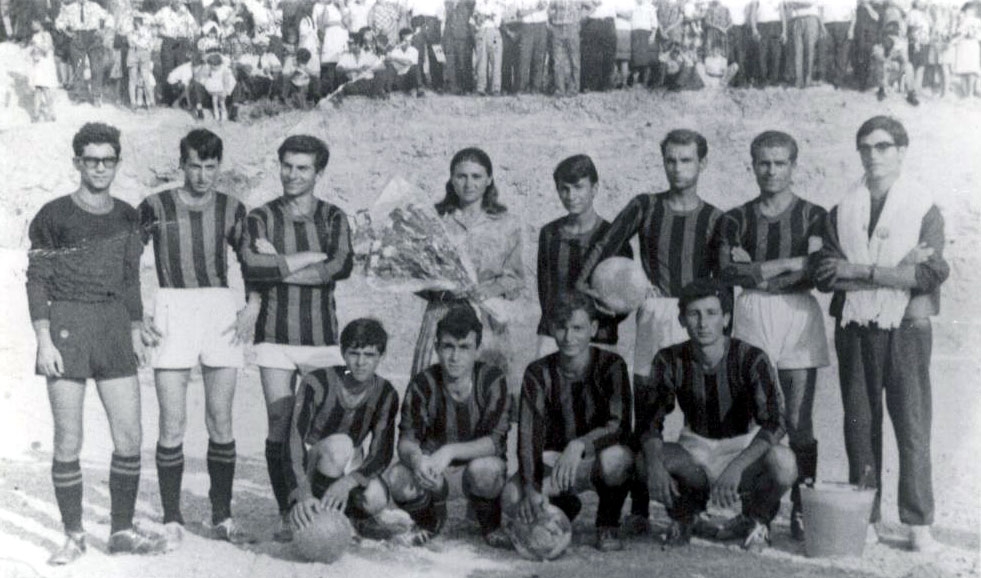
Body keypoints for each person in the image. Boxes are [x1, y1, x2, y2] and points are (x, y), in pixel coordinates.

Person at [27, 122, 168, 565]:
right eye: (92, 160)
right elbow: (37, 280)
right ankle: (73, 535)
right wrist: (43, 339)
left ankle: (122, 530)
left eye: (108, 160)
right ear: (78, 163)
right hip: (68, 322)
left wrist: (135, 329)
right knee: (69, 438)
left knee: (130, 435)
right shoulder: (53, 215)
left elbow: (130, 279)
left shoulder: (128, 215)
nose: (101, 167)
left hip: (112, 324)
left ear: (117, 162)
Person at [809, 116, 949, 552]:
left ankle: (918, 522)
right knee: (859, 424)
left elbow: (929, 273)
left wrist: (861, 270)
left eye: (884, 146)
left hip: (905, 327)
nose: (874, 155)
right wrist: (893, 271)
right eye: (866, 147)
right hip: (854, 326)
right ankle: (865, 515)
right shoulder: (844, 206)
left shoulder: (923, 206)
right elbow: (825, 274)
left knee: (911, 423)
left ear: (902, 151)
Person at [576, 129, 724, 534]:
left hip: (694, 321)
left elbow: (723, 278)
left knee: (699, 414)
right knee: (647, 414)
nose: (678, 168)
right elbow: (605, 244)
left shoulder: (714, 218)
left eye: (687, 160)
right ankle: (639, 511)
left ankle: (690, 510)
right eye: (671, 160)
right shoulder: (645, 206)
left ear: (703, 163)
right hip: (654, 317)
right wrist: (593, 290)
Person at [137, 129, 259, 548]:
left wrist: (253, 307)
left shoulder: (232, 208)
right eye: (195, 165)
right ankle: (172, 517)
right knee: (172, 423)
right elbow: (122, 262)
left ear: (219, 166)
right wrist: (136, 317)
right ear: (181, 164)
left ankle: (222, 515)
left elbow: (254, 262)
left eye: (210, 167)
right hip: (172, 305)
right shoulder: (155, 205)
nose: (203, 175)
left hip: (219, 308)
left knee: (219, 418)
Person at [240, 135, 354, 542]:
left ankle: (320, 508)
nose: (292, 174)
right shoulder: (260, 216)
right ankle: (289, 509)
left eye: (303, 168)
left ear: (318, 172)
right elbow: (253, 264)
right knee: (280, 422)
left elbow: (340, 266)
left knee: (322, 428)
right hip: (273, 333)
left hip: (321, 336)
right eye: (287, 165)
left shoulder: (334, 218)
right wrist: (309, 258)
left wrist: (279, 266)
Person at [717, 130, 829, 541]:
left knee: (798, 420)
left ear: (793, 166)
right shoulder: (736, 217)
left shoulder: (815, 215)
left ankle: (802, 511)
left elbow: (816, 270)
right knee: (756, 416)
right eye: (764, 162)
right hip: (751, 312)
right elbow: (729, 270)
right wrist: (788, 265)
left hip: (799, 314)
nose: (772, 170)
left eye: (780, 162)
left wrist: (762, 269)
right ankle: (755, 514)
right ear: (752, 165)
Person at [636, 280, 795, 551]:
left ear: (726, 318)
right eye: (694, 314)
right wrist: (654, 467)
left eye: (711, 313)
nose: (703, 323)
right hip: (696, 448)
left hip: (741, 446)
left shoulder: (751, 357)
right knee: (644, 460)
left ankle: (756, 519)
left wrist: (737, 467)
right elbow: (650, 419)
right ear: (682, 320)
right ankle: (687, 515)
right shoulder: (669, 358)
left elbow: (776, 421)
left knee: (784, 463)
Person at [503, 293, 634, 551]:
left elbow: (619, 425)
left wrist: (580, 445)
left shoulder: (611, 365)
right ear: (552, 328)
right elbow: (528, 436)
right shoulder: (538, 372)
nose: (569, 336)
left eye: (578, 328)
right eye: (562, 327)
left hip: (591, 459)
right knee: (511, 498)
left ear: (593, 329)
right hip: (554, 462)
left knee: (619, 459)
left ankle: (607, 523)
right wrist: (531, 487)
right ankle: (564, 505)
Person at [388, 305, 512, 547]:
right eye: (448, 347)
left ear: (477, 350)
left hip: (474, 470)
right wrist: (417, 460)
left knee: (487, 470)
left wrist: (449, 451)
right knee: (398, 477)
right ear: (436, 348)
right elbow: (406, 439)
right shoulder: (423, 383)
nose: (455, 357)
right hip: (435, 471)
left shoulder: (491, 380)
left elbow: (495, 442)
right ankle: (429, 520)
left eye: (464, 347)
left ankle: (490, 524)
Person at [410, 147, 525, 379]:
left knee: (487, 388)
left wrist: (487, 290)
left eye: (476, 176)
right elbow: (414, 275)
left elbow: (515, 279)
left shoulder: (506, 223)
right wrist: (443, 286)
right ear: (452, 179)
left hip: (487, 321)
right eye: (461, 176)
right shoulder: (435, 220)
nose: (468, 183)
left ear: (489, 179)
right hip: (442, 317)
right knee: (435, 391)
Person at [285, 319, 402, 538]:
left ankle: (349, 518)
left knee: (376, 497)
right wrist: (302, 490)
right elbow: (294, 439)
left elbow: (381, 453)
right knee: (341, 445)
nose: (360, 362)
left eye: (369, 355)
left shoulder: (385, 392)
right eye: (354, 353)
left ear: (381, 356)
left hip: (347, 466)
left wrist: (348, 483)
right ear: (342, 352)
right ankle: (313, 514)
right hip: (315, 463)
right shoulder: (317, 381)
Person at [536, 154, 632, 357]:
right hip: (554, 336)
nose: (571, 196)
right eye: (564, 188)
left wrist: (602, 318)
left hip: (600, 337)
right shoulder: (549, 233)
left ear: (594, 189)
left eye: (578, 187)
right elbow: (545, 291)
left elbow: (624, 299)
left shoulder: (614, 237)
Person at [54, 0, 114, 105]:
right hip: (77, 38)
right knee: (78, 67)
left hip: (94, 38)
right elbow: (59, 22)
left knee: (96, 68)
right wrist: (67, 32)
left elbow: (109, 18)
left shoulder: (95, 6)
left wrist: (103, 31)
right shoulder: (70, 8)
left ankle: (96, 96)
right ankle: (78, 95)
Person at [154, 0, 198, 104]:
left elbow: (194, 27)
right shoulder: (164, 11)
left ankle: (181, 99)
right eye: (176, 2)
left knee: (181, 69)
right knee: (167, 70)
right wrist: (159, 33)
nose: (179, 4)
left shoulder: (186, 12)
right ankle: (167, 99)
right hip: (168, 42)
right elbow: (153, 22)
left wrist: (189, 36)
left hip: (182, 43)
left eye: (181, 2)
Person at [548, 0, 585, 96]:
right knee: (558, 61)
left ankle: (574, 89)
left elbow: (591, 7)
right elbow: (550, 8)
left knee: (574, 60)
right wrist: (552, 20)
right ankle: (560, 89)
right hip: (557, 27)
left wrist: (579, 18)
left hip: (572, 27)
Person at [336, 29, 387, 98]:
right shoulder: (346, 56)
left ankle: (375, 90)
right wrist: (356, 69)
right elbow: (338, 69)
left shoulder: (368, 55)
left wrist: (369, 68)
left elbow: (383, 66)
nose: (350, 46)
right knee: (348, 87)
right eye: (349, 44)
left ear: (358, 44)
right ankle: (375, 91)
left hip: (369, 81)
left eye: (352, 44)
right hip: (355, 82)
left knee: (381, 76)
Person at [748, 0, 786, 87]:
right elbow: (753, 14)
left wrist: (784, 32)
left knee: (776, 55)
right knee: (762, 55)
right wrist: (754, 29)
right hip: (762, 26)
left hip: (776, 26)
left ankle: (774, 80)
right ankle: (763, 80)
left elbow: (783, 15)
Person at [442, 0, 475, 95]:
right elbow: (444, 18)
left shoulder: (468, 3)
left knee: (463, 62)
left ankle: (466, 87)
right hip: (449, 35)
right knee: (450, 62)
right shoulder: (447, 3)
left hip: (463, 35)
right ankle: (453, 87)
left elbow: (471, 17)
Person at [28, 18, 58, 122]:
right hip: (37, 64)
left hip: (45, 65)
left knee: (45, 88)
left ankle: (51, 113)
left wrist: (36, 44)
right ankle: (36, 114)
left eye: (34, 22)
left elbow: (46, 50)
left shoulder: (46, 35)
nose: (32, 24)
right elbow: (34, 51)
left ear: (40, 24)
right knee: (37, 89)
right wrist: (32, 51)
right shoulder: (34, 36)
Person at [472, 0, 503, 96]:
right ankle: (481, 87)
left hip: (494, 32)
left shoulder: (496, 3)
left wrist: (484, 16)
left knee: (496, 61)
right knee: (481, 61)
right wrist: (485, 17)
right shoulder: (478, 3)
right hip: (481, 32)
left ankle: (496, 88)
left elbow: (497, 20)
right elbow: (476, 20)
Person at [517, 0, 549, 93]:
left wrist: (530, 10)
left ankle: (536, 87)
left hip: (541, 25)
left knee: (539, 57)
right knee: (524, 57)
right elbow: (520, 13)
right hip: (527, 27)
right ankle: (522, 87)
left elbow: (545, 6)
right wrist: (535, 9)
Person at [127, 13, 156, 109]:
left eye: (139, 20)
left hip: (144, 53)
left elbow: (151, 41)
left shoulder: (147, 30)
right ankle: (133, 102)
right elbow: (130, 42)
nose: (136, 22)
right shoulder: (130, 30)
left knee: (146, 78)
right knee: (133, 78)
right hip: (133, 51)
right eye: (135, 20)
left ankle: (151, 102)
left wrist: (148, 50)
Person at [952, 1, 981, 98]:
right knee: (963, 69)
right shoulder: (961, 20)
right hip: (962, 45)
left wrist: (973, 35)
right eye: (968, 9)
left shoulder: (978, 21)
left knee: (972, 69)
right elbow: (957, 33)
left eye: (972, 9)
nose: (970, 11)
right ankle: (965, 93)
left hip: (972, 45)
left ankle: (970, 93)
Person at [385, 27, 423, 95]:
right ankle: (387, 92)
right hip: (396, 80)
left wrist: (395, 58)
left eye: (410, 39)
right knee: (390, 67)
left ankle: (419, 90)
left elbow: (409, 62)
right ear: (401, 40)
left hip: (408, 81)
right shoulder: (395, 50)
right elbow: (388, 61)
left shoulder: (414, 51)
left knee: (415, 67)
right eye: (405, 40)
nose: (408, 42)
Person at [202, 52, 236, 120]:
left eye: (213, 65)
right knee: (214, 101)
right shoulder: (211, 69)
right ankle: (216, 115)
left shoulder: (224, 70)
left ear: (218, 64)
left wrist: (225, 91)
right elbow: (208, 75)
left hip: (221, 88)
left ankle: (224, 115)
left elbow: (226, 81)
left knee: (222, 102)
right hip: (214, 88)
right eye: (210, 65)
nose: (212, 67)